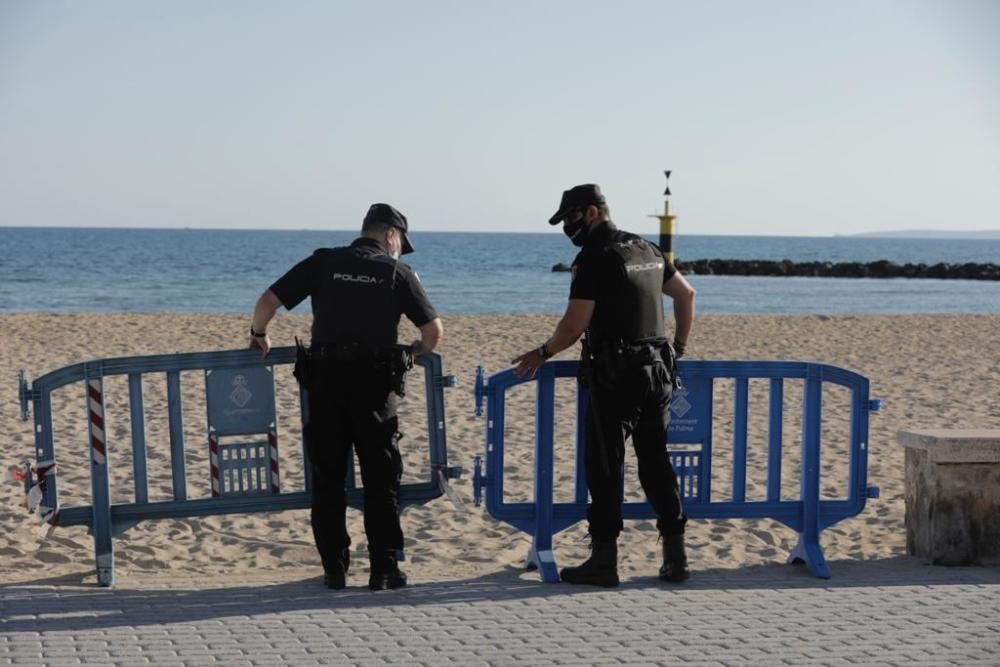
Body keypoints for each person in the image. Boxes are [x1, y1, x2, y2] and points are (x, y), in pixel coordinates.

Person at [247, 203, 443, 591]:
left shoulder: (324, 262)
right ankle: (384, 570)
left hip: (325, 386)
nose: (400, 249)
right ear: (391, 235)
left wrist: (258, 334)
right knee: (381, 479)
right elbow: (433, 331)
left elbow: (268, 301)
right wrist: (414, 351)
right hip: (374, 390)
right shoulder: (395, 272)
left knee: (328, 478)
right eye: (401, 242)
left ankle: (335, 569)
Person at [512, 184, 696, 587]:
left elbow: (574, 325)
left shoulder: (593, 257)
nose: (567, 228)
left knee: (606, 465)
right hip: (658, 373)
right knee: (656, 462)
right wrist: (678, 347)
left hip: (616, 375)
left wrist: (541, 352)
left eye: (570, 219)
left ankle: (604, 559)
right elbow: (686, 294)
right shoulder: (647, 249)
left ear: (591, 213)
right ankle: (675, 557)